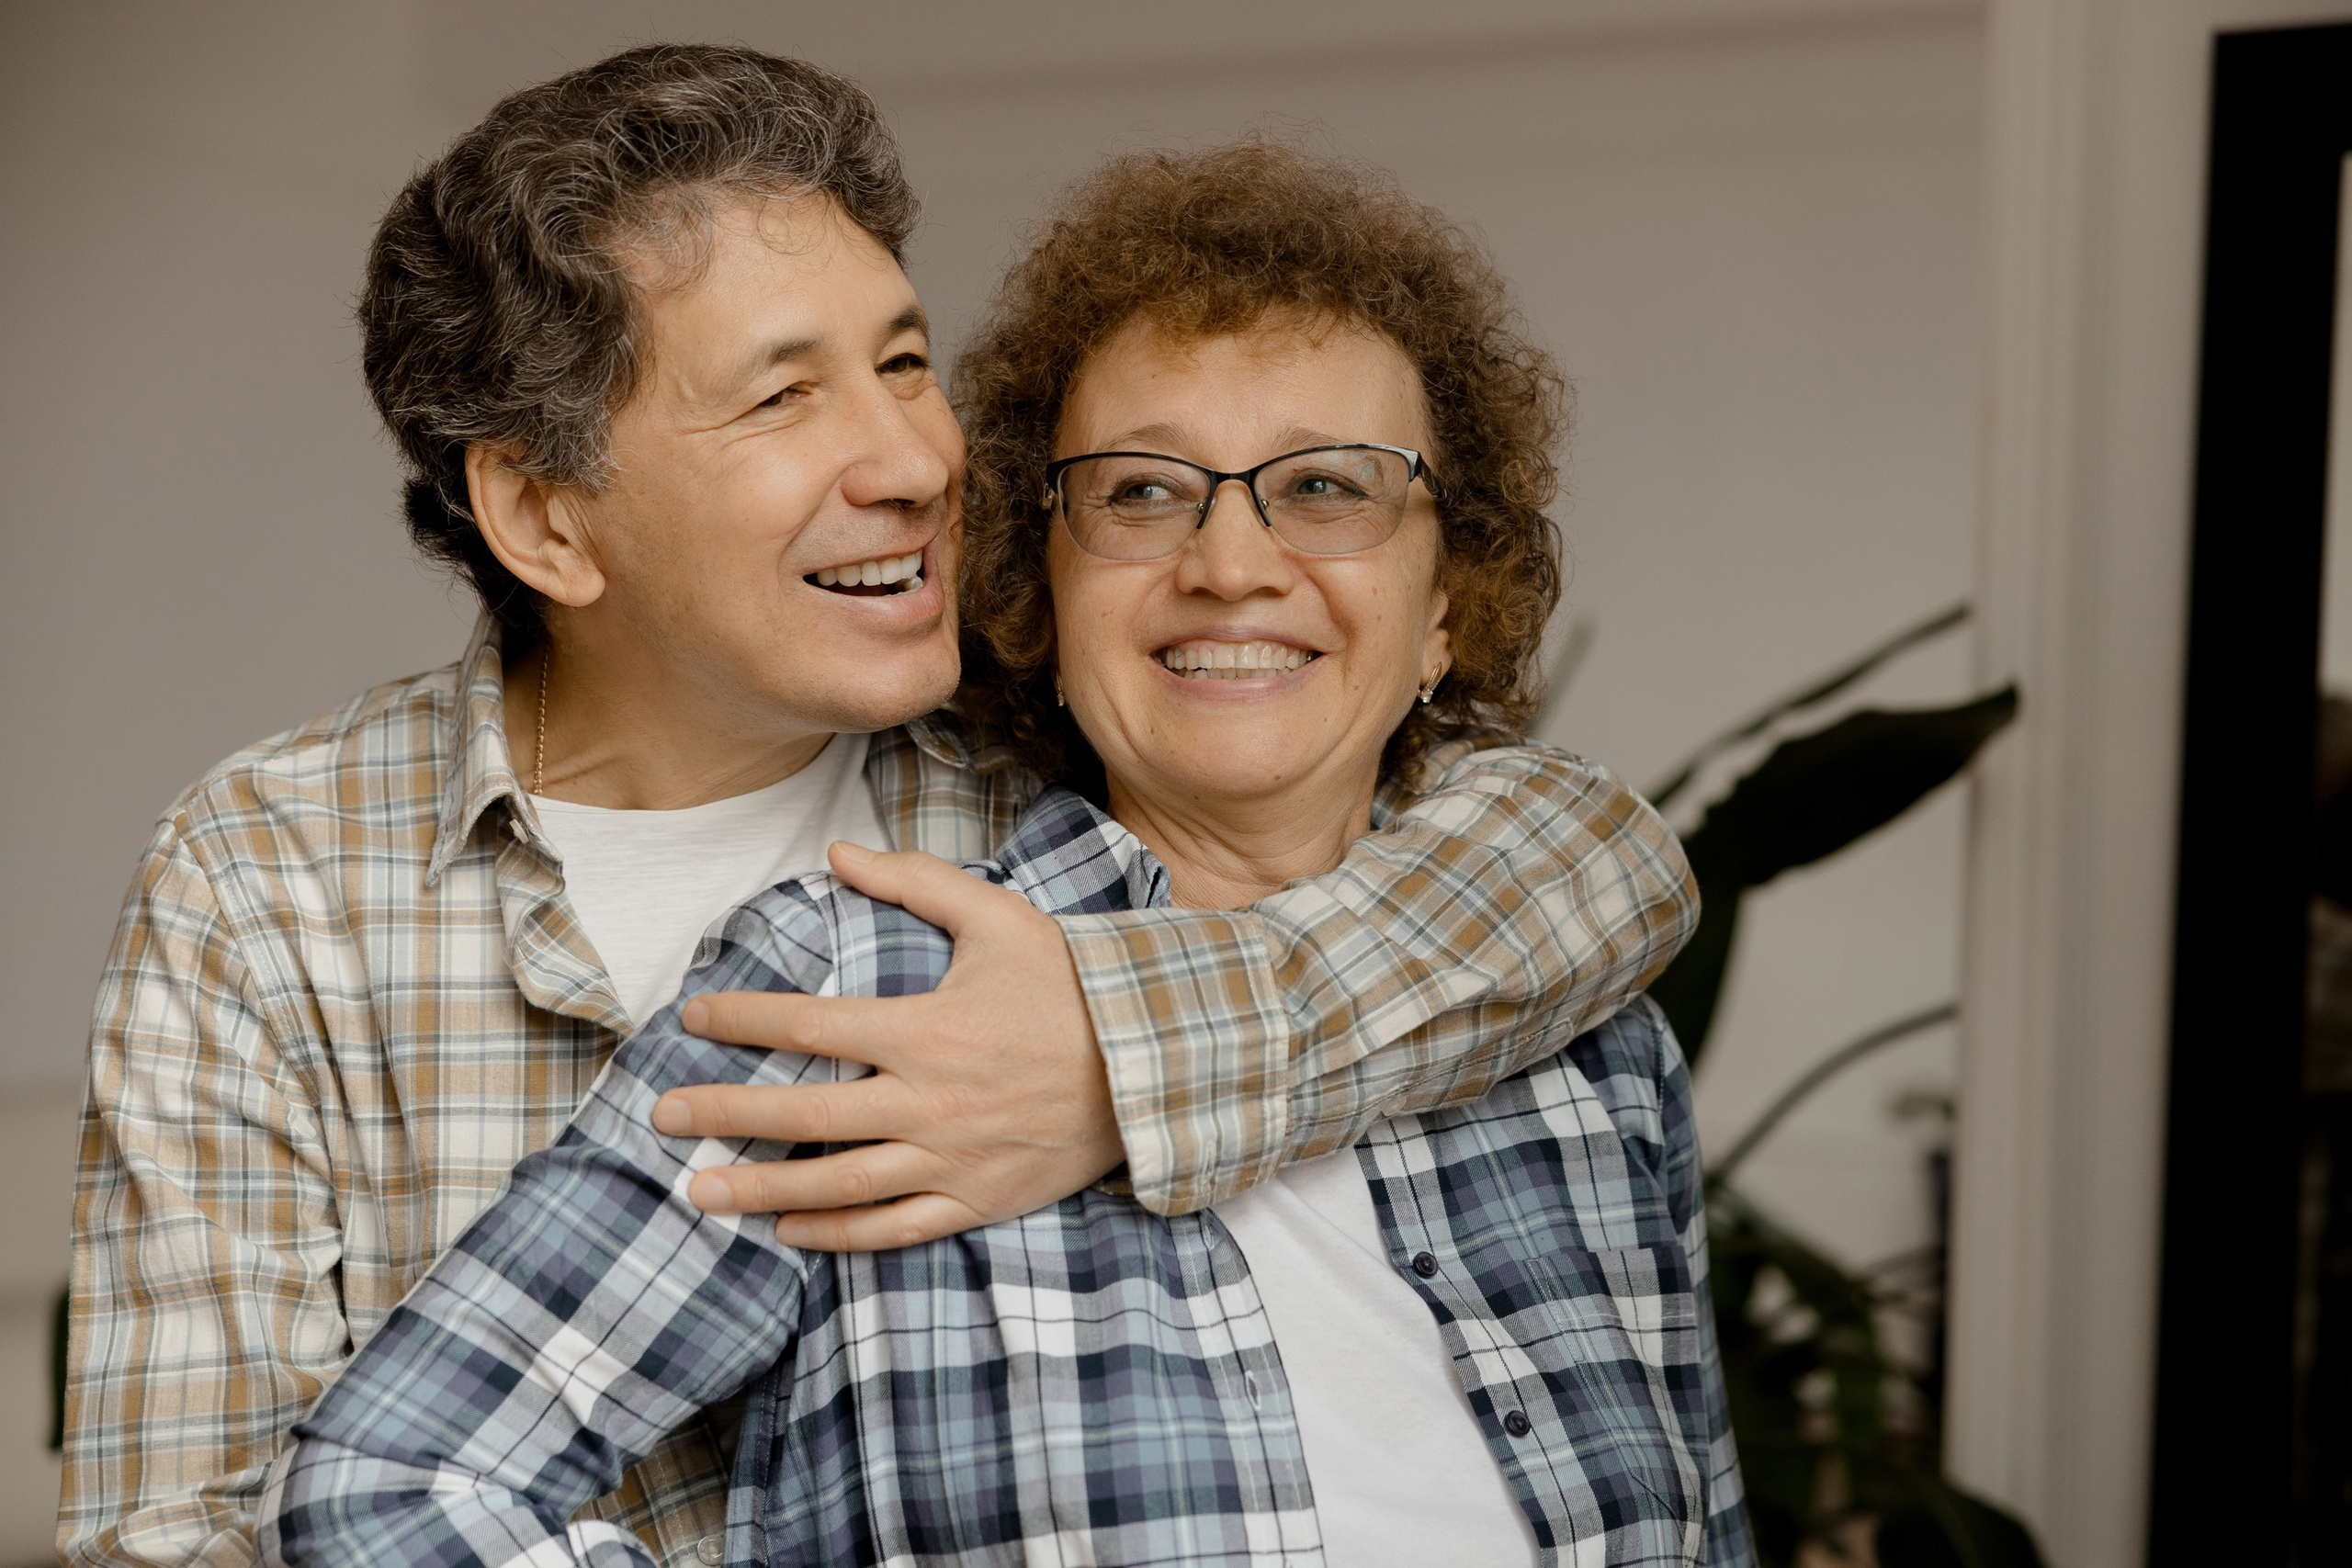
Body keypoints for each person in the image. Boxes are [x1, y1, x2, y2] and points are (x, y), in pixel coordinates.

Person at [63, 47, 1699, 1568]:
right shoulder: (278, 872)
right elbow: (193, 1526)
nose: (916, 457)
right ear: (548, 517)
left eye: (905, 362)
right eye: (785, 397)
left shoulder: (1053, 752)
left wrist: (1127, 1051)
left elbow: (1579, 859)